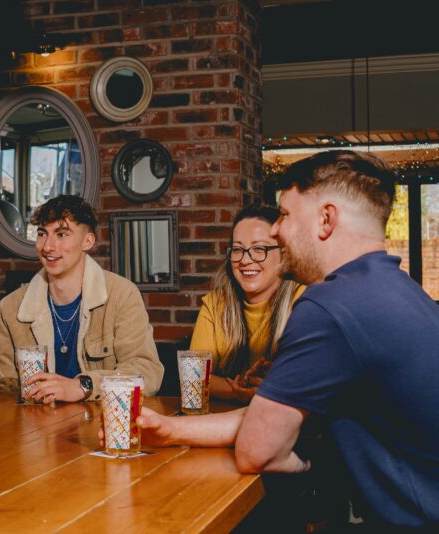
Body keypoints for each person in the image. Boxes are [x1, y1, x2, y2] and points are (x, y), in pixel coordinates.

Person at [126, 151, 439, 529]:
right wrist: (171, 429)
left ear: (326, 219)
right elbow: (271, 418)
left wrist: (313, 462)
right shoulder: (398, 290)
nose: (275, 230)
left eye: (285, 215)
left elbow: (257, 451)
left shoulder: (328, 306)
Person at [0, 195, 164, 403]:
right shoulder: (9, 309)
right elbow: (0, 391)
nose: (48, 247)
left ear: (87, 241)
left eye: (62, 234)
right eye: (42, 234)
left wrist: (83, 386)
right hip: (37, 428)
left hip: (101, 426)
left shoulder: (122, 295)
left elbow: (147, 372)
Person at [190, 205, 305, 403]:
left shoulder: (303, 299)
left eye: (259, 248)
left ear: (284, 253)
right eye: (237, 250)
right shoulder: (215, 303)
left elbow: (306, 379)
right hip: (221, 420)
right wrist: (242, 393)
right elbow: (193, 377)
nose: (245, 259)